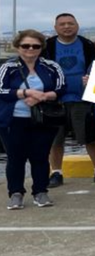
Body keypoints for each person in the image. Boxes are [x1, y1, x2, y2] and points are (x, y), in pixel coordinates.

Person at [0, 30, 65, 211]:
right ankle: (16, 193)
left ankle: (40, 191)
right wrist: (25, 93)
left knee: (41, 157)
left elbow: (61, 88)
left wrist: (42, 96)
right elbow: (1, 90)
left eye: (35, 46)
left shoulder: (51, 66)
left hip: (43, 119)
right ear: (18, 47)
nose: (30, 49)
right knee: (15, 158)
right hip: (13, 120)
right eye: (26, 45)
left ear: (41, 48)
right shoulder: (8, 67)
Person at [43, 13, 95, 187]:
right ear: (55, 27)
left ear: (77, 25)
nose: (66, 26)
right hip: (54, 100)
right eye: (62, 24)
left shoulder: (87, 45)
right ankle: (56, 173)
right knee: (55, 139)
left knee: (91, 137)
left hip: (83, 99)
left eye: (70, 23)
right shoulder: (47, 46)